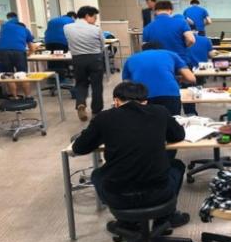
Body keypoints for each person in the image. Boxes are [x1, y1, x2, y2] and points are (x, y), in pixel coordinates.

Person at [71, 81, 190, 228]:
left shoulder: (104, 118)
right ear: (145, 101)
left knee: (97, 174)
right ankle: (165, 218)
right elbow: (178, 135)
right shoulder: (160, 112)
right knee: (176, 165)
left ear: (116, 101)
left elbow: (79, 147)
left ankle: (126, 223)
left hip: (118, 197)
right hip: (158, 194)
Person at [122, 42, 196, 116]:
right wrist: (178, 79)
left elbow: (126, 84)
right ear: (161, 49)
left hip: (141, 95)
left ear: (143, 50)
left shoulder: (131, 58)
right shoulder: (171, 54)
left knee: (144, 122)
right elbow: (191, 78)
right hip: (169, 94)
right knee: (170, 120)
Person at [64, 6, 106, 121]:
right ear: (87, 16)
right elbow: (102, 45)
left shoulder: (67, 28)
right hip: (95, 59)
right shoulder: (96, 29)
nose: (95, 20)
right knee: (97, 85)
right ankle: (96, 111)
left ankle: (80, 104)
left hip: (78, 59)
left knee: (81, 83)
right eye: (95, 17)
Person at [143, 0, 195, 66]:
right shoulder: (181, 23)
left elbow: (145, 47)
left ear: (155, 11)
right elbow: (191, 40)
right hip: (180, 61)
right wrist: (184, 46)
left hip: (159, 63)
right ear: (171, 11)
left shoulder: (147, 27)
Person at [0, 12, 35, 98]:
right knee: (23, 74)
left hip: (2, 51)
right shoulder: (25, 30)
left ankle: (15, 97)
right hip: (18, 51)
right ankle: (28, 96)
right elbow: (32, 48)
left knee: (9, 75)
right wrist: (27, 54)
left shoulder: (4, 27)